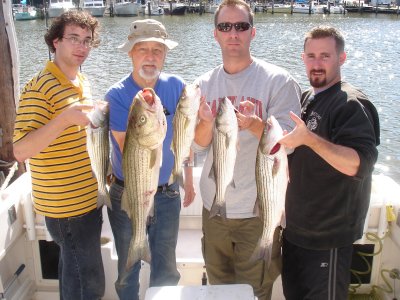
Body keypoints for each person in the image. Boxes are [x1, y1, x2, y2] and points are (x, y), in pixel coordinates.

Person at [192, 0, 301, 299]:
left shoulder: (279, 81)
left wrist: (255, 125)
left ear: (253, 32)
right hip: (214, 208)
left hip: (259, 211)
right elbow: (198, 148)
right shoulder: (203, 83)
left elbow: (289, 143)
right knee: (218, 287)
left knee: (256, 291)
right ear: (215, 34)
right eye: (225, 27)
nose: (233, 33)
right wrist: (203, 123)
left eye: (241, 26)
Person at [279, 26, 380, 299]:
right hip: (295, 234)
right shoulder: (306, 99)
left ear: (342, 58)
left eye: (325, 56)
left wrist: (309, 139)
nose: (317, 63)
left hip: (328, 239)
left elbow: (357, 164)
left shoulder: (350, 103)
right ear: (302, 59)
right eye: (311, 56)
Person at [13, 11, 105, 300]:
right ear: (55, 42)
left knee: (73, 273)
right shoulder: (38, 87)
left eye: (87, 41)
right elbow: (20, 150)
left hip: (87, 200)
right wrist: (64, 119)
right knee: (88, 285)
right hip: (66, 209)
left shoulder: (82, 80)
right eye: (74, 39)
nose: (82, 47)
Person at [105, 19, 196, 300]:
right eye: (142, 49)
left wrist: (188, 180)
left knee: (166, 269)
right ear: (130, 53)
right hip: (129, 190)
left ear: (165, 54)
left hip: (168, 194)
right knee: (127, 273)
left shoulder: (178, 86)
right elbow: (130, 148)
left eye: (157, 50)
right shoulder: (117, 95)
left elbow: (185, 139)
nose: (150, 56)